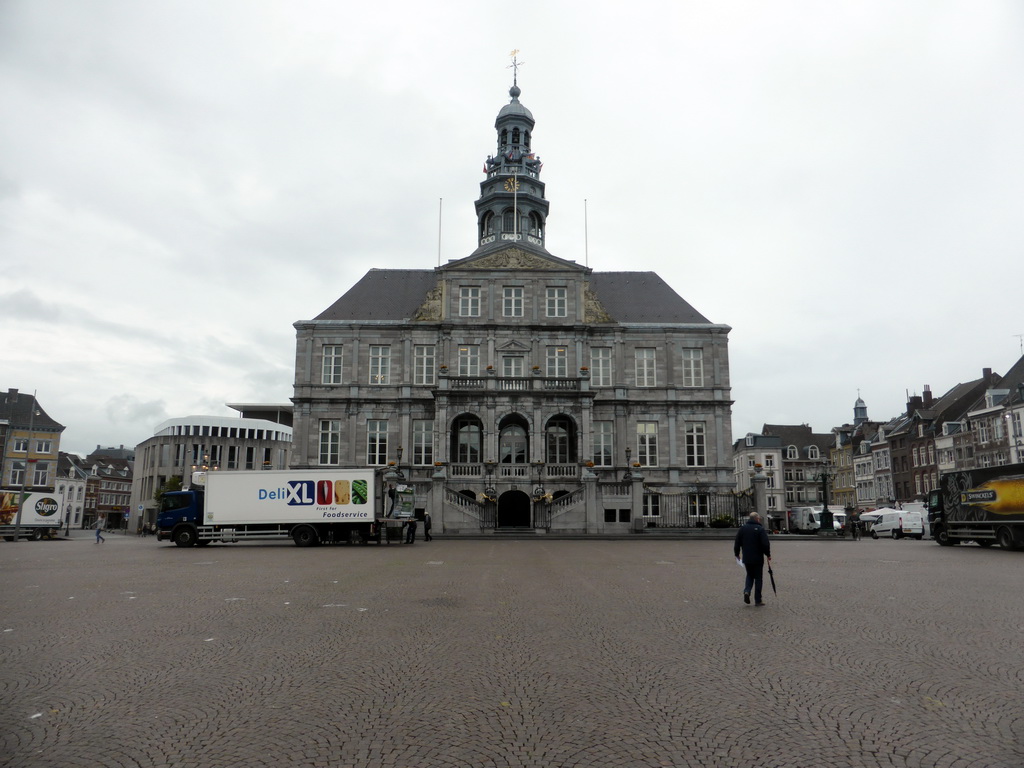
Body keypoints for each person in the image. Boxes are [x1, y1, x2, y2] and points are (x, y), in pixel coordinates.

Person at [734, 512, 771, 606]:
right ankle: (758, 600)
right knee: (758, 578)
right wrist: (768, 554)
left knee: (749, 575)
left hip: (747, 556)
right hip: (758, 557)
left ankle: (747, 591)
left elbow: (737, 542)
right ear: (756, 519)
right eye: (759, 518)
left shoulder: (743, 529)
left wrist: (737, 553)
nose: (759, 520)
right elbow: (765, 543)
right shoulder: (760, 529)